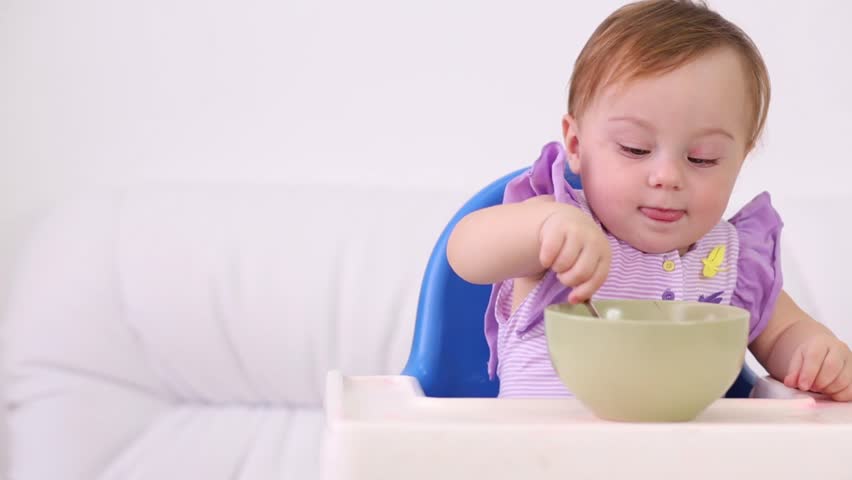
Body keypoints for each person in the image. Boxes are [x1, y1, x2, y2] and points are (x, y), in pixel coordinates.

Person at [447, 0, 852, 401]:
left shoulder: (734, 263)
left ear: (739, 161)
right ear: (575, 144)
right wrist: (547, 228)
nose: (668, 177)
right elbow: (465, 252)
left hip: (681, 462)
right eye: (635, 149)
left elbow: (784, 333)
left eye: (702, 158)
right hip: (547, 457)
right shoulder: (556, 223)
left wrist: (815, 355)